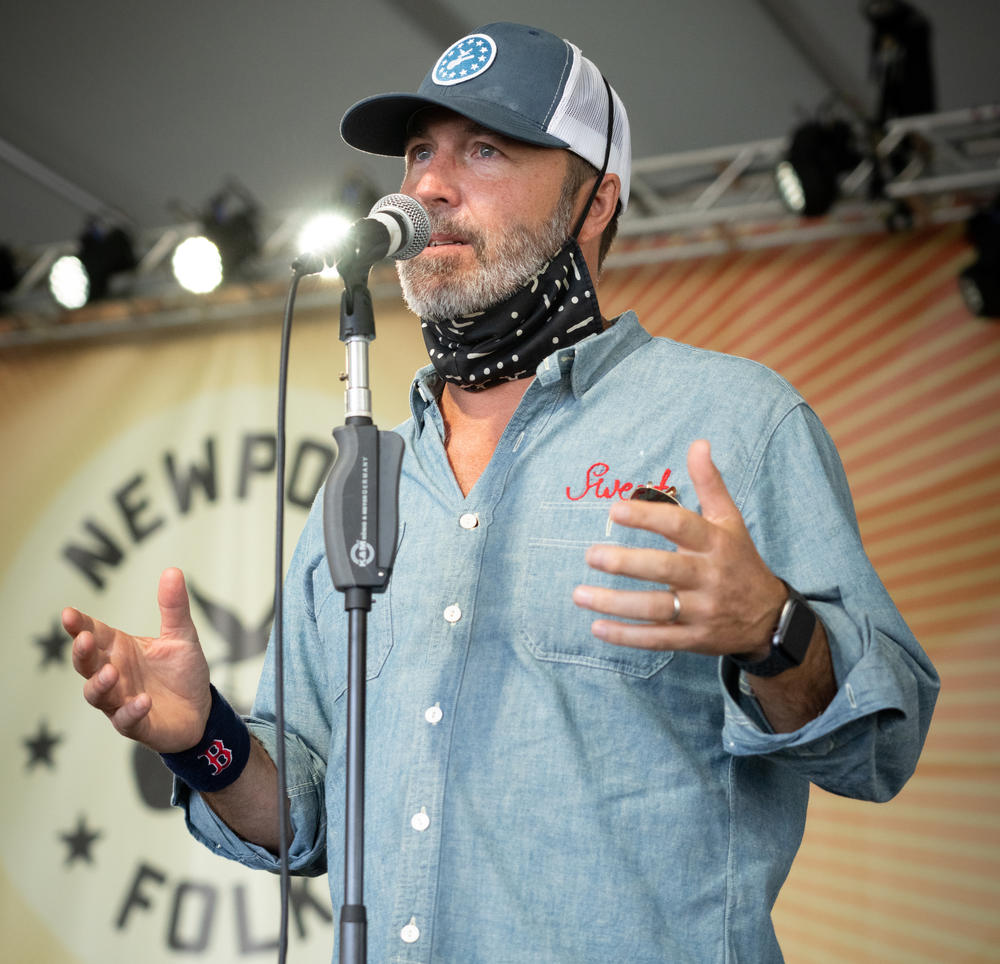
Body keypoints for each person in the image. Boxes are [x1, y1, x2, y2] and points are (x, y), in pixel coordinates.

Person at [63, 22, 939, 963]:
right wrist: (207, 740)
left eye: (484, 149)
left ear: (595, 201)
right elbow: (309, 815)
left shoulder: (734, 423)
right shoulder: (369, 474)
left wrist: (777, 633)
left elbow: (878, 748)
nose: (430, 186)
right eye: (419, 153)